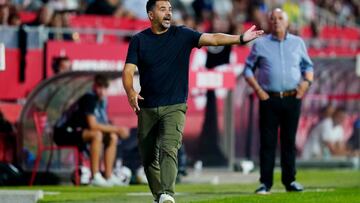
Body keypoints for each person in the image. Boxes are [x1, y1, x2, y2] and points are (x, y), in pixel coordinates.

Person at [122, 0, 263, 202]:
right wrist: (130, 91)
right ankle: (159, 195)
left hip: (175, 105)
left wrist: (241, 38)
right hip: (147, 106)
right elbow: (128, 71)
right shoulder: (139, 40)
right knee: (148, 157)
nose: (168, 13)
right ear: (151, 15)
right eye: (163, 9)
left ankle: (167, 194)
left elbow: (213, 39)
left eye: (170, 9)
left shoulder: (183, 35)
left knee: (169, 149)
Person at [243, 8, 314, 194]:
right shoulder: (260, 44)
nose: (276, 21)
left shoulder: (298, 43)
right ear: (268, 22)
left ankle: (290, 181)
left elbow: (308, 66)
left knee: (289, 142)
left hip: (292, 97)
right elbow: (248, 69)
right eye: (273, 18)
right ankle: (265, 183)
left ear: (287, 22)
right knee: (267, 142)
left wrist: (306, 84)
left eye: (280, 18)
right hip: (269, 99)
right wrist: (258, 89)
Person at [54, 74, 129, 187]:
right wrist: (118, 129)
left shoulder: (103, 101)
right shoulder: (89, 98)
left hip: (80, 132)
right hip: (63, 133)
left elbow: (102, 124)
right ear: (94, 86)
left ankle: (108, 176)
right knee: (96, 135)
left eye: (104, 88)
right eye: (99, 87)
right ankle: (95, 176)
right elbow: (93, 125)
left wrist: (115, 131)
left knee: (112, 136)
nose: (101, 91)